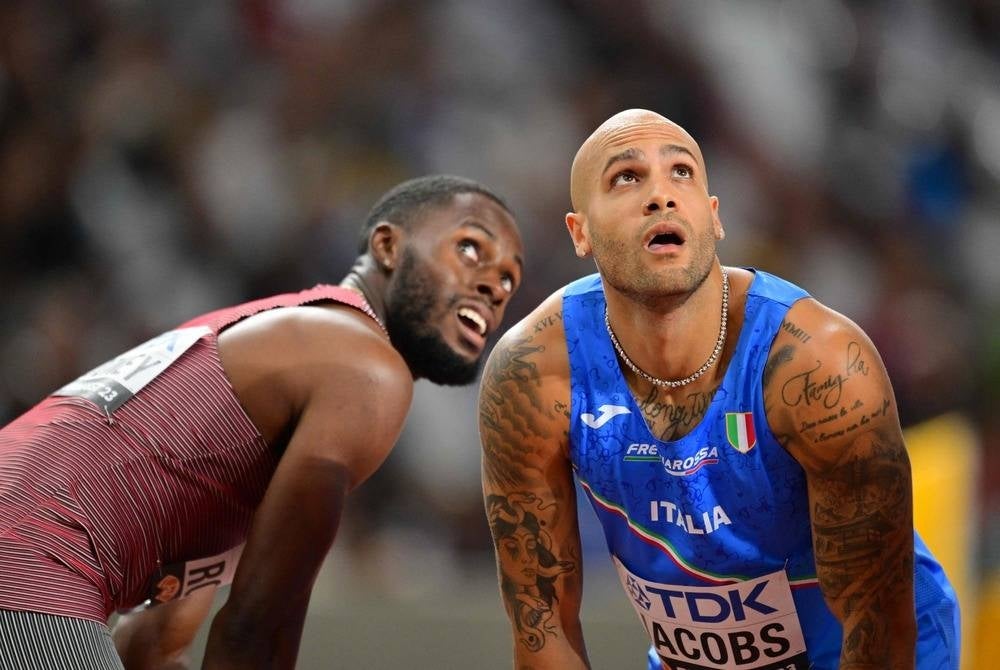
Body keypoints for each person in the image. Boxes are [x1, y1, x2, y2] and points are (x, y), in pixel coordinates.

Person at [478, 109, 959, 670]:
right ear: (579, 231)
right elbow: (544, 629)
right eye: (626, 178)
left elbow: (878, 623)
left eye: (681, 173)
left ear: (713, 218)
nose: (661, 195)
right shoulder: (533, 373)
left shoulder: (816, 367)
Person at [0, 174, 524, 669]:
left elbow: (152, 647)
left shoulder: (273, 349)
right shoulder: (363, 366)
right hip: (30, 564)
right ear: (387, 248)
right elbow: (257, 629)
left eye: (508, 278)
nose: (494, 287)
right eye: (470, 249)